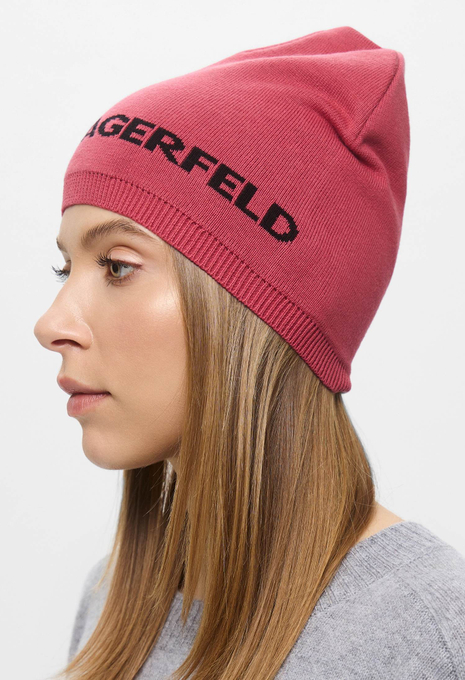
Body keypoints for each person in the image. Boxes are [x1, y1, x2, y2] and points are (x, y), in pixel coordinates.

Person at [33, 25, 465, 680]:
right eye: (66, 269)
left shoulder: (423, 633)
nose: (51, 325)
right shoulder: (113, 602)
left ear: (255, 313)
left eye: (117, 266)